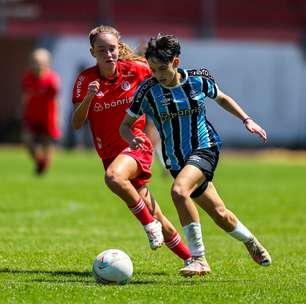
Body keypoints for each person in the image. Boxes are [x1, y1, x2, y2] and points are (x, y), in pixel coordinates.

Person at [120, 34, 272, 277]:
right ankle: (251, 241)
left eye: (162, 68)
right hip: (176, 160)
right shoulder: (147, 90)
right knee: (220, 214)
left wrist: (247, 119)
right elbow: (124, 126)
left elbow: (221, 97)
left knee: (179, 192)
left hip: (204, 148)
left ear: (176, 62)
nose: (157, 74)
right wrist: (132, 138)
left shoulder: (198, 80)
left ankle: (199, 259)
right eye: (152, 69)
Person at [71, 25, 191, 266]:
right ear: (92, 52)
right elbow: (76, 123)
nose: (108, 54)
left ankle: (148, 226)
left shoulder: (136, 69)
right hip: (109, 153)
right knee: (157, 215)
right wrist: (88, 99)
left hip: (136, 144)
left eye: (112, 49)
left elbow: (166, 75)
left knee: (113, 178)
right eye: (101, 49)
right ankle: (193, 260)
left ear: (119, 49)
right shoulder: (86, 79)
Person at [21, 48, 61, 175]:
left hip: (47, 116)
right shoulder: (27, 77)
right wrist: (23, 111)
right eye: (33, 62)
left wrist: (57, 118)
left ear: (46, 63)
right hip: (32, 115)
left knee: (47, 143)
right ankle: (40, 162)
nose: (35, 65)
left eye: (38, 62)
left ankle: (44, 167)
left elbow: (56, 99)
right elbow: (25, 96)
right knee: (27, 140)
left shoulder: (51, 79)